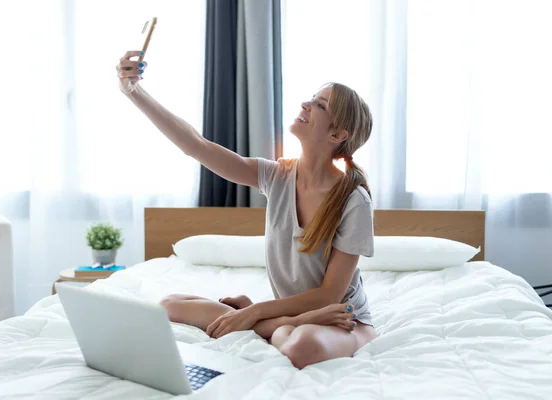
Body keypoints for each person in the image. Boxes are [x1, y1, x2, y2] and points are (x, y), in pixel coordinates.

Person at [116, 50, 377, 369]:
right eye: (311, 98)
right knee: (168, 305)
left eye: (320, 105)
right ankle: (278, 323)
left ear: (337, 135)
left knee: (301, 348)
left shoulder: (353, 199)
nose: (305, 105)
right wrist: (134, 91)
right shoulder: (278, 176)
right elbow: (196, 145)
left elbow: (329, 296)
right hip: (297, 314)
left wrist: (253, 312)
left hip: (342, 320)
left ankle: (272, 323)